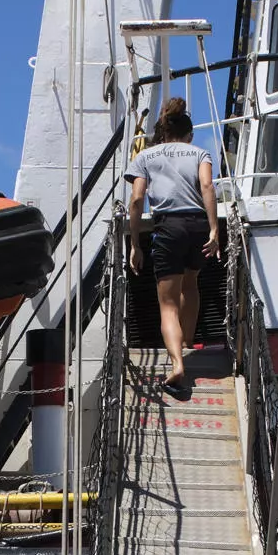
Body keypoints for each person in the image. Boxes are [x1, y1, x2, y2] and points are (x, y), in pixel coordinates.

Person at [124, 98, 219, 401]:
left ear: (163, 132)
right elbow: (207, 187)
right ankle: (188, 342)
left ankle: (177, 364)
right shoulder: (200, 152)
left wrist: (135, 243)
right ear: (189, 134)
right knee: (190, 285)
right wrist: (215, 228)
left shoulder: (147, 156)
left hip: (169, 227)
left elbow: (137, 199)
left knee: (167, 304)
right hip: (198, 225)